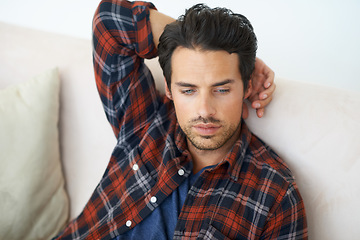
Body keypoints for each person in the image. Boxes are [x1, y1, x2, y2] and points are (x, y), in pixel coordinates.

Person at [55, 0, 307, 239]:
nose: (205, 110)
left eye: (221, 89)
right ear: (169, 88)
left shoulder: (274, 193)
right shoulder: (146, 121)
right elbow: (108, 21)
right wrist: (187, 45)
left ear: (247, 87)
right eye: (188, 90)